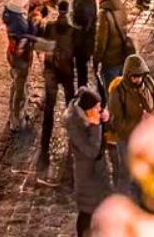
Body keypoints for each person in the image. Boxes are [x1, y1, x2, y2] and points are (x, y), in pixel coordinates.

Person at [105, 54, 154, 193]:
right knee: (127, 173)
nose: (137, 79)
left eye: (140, 76)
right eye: (134, 76)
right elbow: (117, 122)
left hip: (147, 137)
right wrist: (138, 123)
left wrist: (153, 115)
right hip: (127, 139)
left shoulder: (148, 82)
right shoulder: (118, 91)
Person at [66, 88, 112, 237]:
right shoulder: (75, 126)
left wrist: (105, 119)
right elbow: (92, 151)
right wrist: (96, 125)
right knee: (86, 214)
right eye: (97, 108)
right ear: (87, 111)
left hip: (99, 173)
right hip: (87, 178)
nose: (100, 110)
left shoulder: (90, 116)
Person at [38, 0, 77, 174]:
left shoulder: (50, 27)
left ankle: (44, 147)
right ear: (68, 11)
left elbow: (42, 49)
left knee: (49, 109)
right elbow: (77, 54)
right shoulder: (73, 31)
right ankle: (73, 141)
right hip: (67, 72)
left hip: (51, 72)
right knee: (70, 105)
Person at [2, 0, 40, 131]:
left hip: (12, 56)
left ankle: (14, 113)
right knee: (20, 88)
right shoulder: (19, 23)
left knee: (16, 83)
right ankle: (17, 119)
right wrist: (34, 25)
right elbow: (28, 37)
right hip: (21, 59)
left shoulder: (9, 14)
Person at [94, 0, 129, 90]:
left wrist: (96, 61)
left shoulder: (104, 14)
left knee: (111, 93)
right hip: (122, 56)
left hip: (110, 60)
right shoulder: (120, 6)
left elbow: (101, 42)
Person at [70, 0, 98, 89]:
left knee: (82, 68)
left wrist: (73, 21)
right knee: (82, 67)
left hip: (83, 41)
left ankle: (83, 91)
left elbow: (85, 21)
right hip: (85, 40)